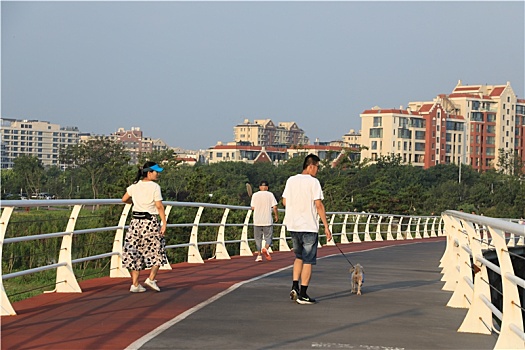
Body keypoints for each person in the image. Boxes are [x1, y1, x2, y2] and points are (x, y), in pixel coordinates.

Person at [282, 154, 332, 305]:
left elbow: (284, 201)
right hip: (308, 226)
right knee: (308, 260)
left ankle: (294, 287)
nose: (317, 170)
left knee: (298, 257)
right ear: (311, 166)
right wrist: (326, 226)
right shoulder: (313, 182)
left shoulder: (291, 180)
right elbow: (318, 205)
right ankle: (303, 294)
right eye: (317, 167)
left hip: (293, 225)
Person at [121, 161, 168, 293]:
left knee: (134, 251)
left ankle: (135, 284)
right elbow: (159, 205)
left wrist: (134, 202)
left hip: (135, 222)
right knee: (157, 250)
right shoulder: (154, 187)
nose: (157, 174)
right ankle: (151, 278)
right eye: (156, 172)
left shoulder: (134, 186)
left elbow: (124, 199)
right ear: (149, 173)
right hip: (150, 222)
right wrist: (164, 222)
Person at [250, 180, 279, 262]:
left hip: (257, 220)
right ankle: (265, 248)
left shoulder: (255, 195)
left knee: (257, 239)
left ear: (259, 187)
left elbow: (252, 207)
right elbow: (275, 207)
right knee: (269, 237)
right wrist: (276, 215)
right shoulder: (270, 194)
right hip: (267, 220)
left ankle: (259, 255)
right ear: (267, 187)